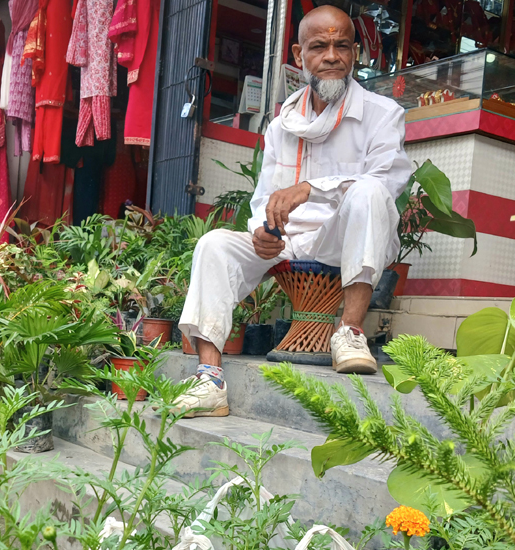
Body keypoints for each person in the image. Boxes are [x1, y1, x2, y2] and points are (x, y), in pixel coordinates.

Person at [174, 5, 412, 417]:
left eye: (342, 46)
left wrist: (309, 189)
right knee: (214, 244)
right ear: (300, 55)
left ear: (355, 53)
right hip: (289, 242)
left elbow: (388, 184)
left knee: (370, 191)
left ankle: (350, 332)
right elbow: (264, 196)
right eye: (320, 47)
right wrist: (263, 231)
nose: (332, 56)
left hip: (344, 239)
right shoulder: (281, 124)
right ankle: (209, 378)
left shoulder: (382, 114)